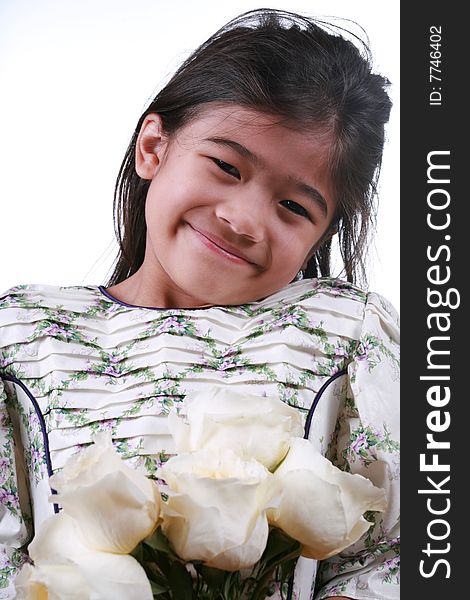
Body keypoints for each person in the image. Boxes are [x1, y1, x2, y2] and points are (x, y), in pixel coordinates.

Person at [0, 8, 399, 599]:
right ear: (154, 148)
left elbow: (403, 547)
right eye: (225, 166)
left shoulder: (343, 333)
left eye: (294, 207)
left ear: (323, 234)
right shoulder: (25, 334)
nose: (243, 219)